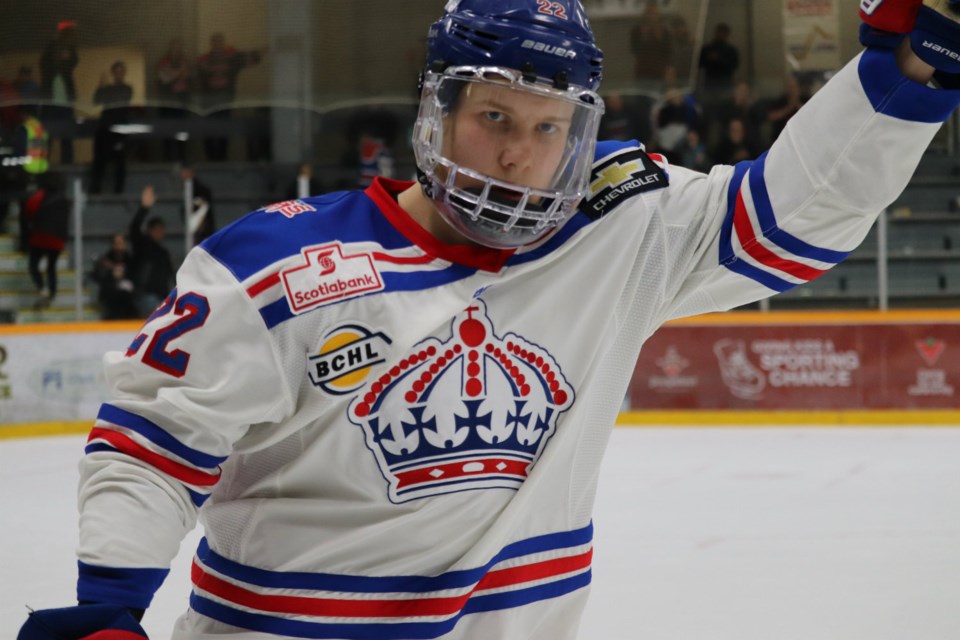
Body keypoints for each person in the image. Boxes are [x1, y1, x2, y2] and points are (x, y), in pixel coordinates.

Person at [16, 1, 960, 638]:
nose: (521, 154)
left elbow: (794, 217)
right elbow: (155, 439)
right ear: (436, 111)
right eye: (495, 119)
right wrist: (107, 605)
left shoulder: (618, 228)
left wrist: (917, 60)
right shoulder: (279, 263)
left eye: (550, 128)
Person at [197, 32, 262, 161]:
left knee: (224, 128)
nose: (218, 45)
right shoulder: (205, 59)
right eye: (215, 42)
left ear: (223, 44)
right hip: (209, 101)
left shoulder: (231, 58)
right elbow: (197, 74)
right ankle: (210, 158)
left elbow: (253, 59)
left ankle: (222, 157)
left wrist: (261, 50)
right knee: (209, 129)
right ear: (211, 44)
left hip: (226, 101)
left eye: (220, 42)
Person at [23, 172, 69, 307]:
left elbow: (29, 209)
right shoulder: (64, 199)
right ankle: (52, 293)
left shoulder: (39, 196)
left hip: (40, 237)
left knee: (33, 266)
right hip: (58, 240)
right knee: (51, 268)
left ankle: (42, 288)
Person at [128, 184, 175, 317]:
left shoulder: (163, 252)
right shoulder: (142, 245)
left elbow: (170, 275)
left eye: (161, 229)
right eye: (156, 229)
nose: (160, 232)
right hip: (145, 295)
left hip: (162, 297)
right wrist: (144, 208)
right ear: (150, 230)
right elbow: (134, 228)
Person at [89, 61, 133, 195]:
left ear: (124, 73)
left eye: (121, 71)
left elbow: (121, 98)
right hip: (105, 128)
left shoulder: (127, 88)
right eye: (116, 71)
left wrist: (106, 92)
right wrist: (101, 86)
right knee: (99, 159)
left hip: (119, 129)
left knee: (120, 161)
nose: (119, 74)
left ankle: (118, 191)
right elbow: (96, 100)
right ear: (113, 73)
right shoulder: (107, 89)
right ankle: (95, 189)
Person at [39, 21, 79, 164]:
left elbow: (74, 59)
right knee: (48, 134)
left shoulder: (66, 70)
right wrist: (53, 42)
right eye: (57, 53)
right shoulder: (47, 69)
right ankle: (43, 162)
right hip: (50, 104)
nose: (60, 55)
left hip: (66, 104)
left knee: (66, 135)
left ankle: (67, 163)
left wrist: (65, 44)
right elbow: (43, 61)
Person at [157, 38, 194, 162]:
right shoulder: (164, 61)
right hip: (167, 103)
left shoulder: (185, 61)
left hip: (182, 102)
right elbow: (164, 78)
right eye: (174, 48)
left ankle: (182, 157)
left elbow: (189, 75)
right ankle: (167, 158)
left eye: (178, 48)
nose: (176, 51)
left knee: (182, 131)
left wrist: (174, 74)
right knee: (167, 131)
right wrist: (178, 73)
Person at [92, 231, 139, 320]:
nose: (119, 247)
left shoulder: (130, 260)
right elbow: (97, 276)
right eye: (117, 243)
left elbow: (135, 278)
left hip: (127, 298)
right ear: (113, 245)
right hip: (110, 296)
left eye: (121, 243)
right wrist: (111, 275)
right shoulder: (106, 260)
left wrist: (124, 274)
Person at [179, 166, 215, 247]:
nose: (182, 176)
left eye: (185, 172)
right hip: (195, 230)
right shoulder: (187, 189)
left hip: (203, 231)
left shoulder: (200, 190)